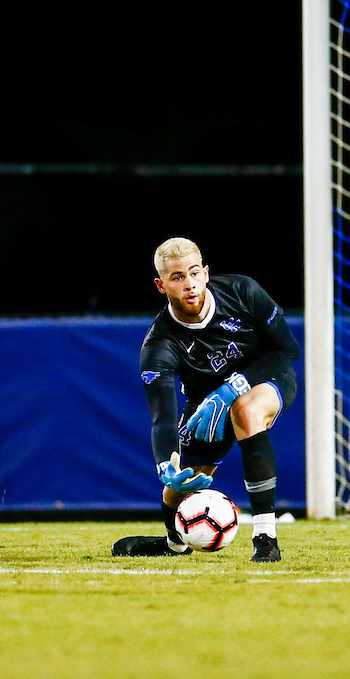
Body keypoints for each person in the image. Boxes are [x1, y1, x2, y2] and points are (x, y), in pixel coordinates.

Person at [112, 237, 298, 563]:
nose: (189, 284)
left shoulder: (243, 291)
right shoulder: (159, 345)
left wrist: (231, 389)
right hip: (204, 404)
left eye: (194, 273)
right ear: (161, 285)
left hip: (265, 378)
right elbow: (162, 417)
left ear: (206, 273)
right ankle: (173, 543)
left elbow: (287, 350)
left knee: (246, 409)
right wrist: (164, 465)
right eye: (177, 277)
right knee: (181, 481)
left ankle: (265, 536)